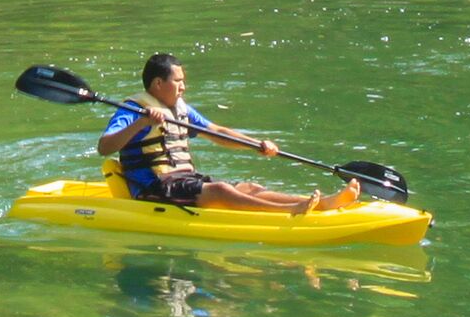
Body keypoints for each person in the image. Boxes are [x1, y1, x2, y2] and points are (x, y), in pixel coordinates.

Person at [99, 54, 350, 214]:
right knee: (220, 190)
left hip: (183, 181)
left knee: (249, 187)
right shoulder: (132, 109)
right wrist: (140, 122)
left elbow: (217, 131)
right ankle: (290, 211)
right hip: (153, 187)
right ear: (157, 84)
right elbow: (105, 147)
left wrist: (255, 144)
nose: (184, 87)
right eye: (178, 81)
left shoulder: (179, 109)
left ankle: (322, 204)